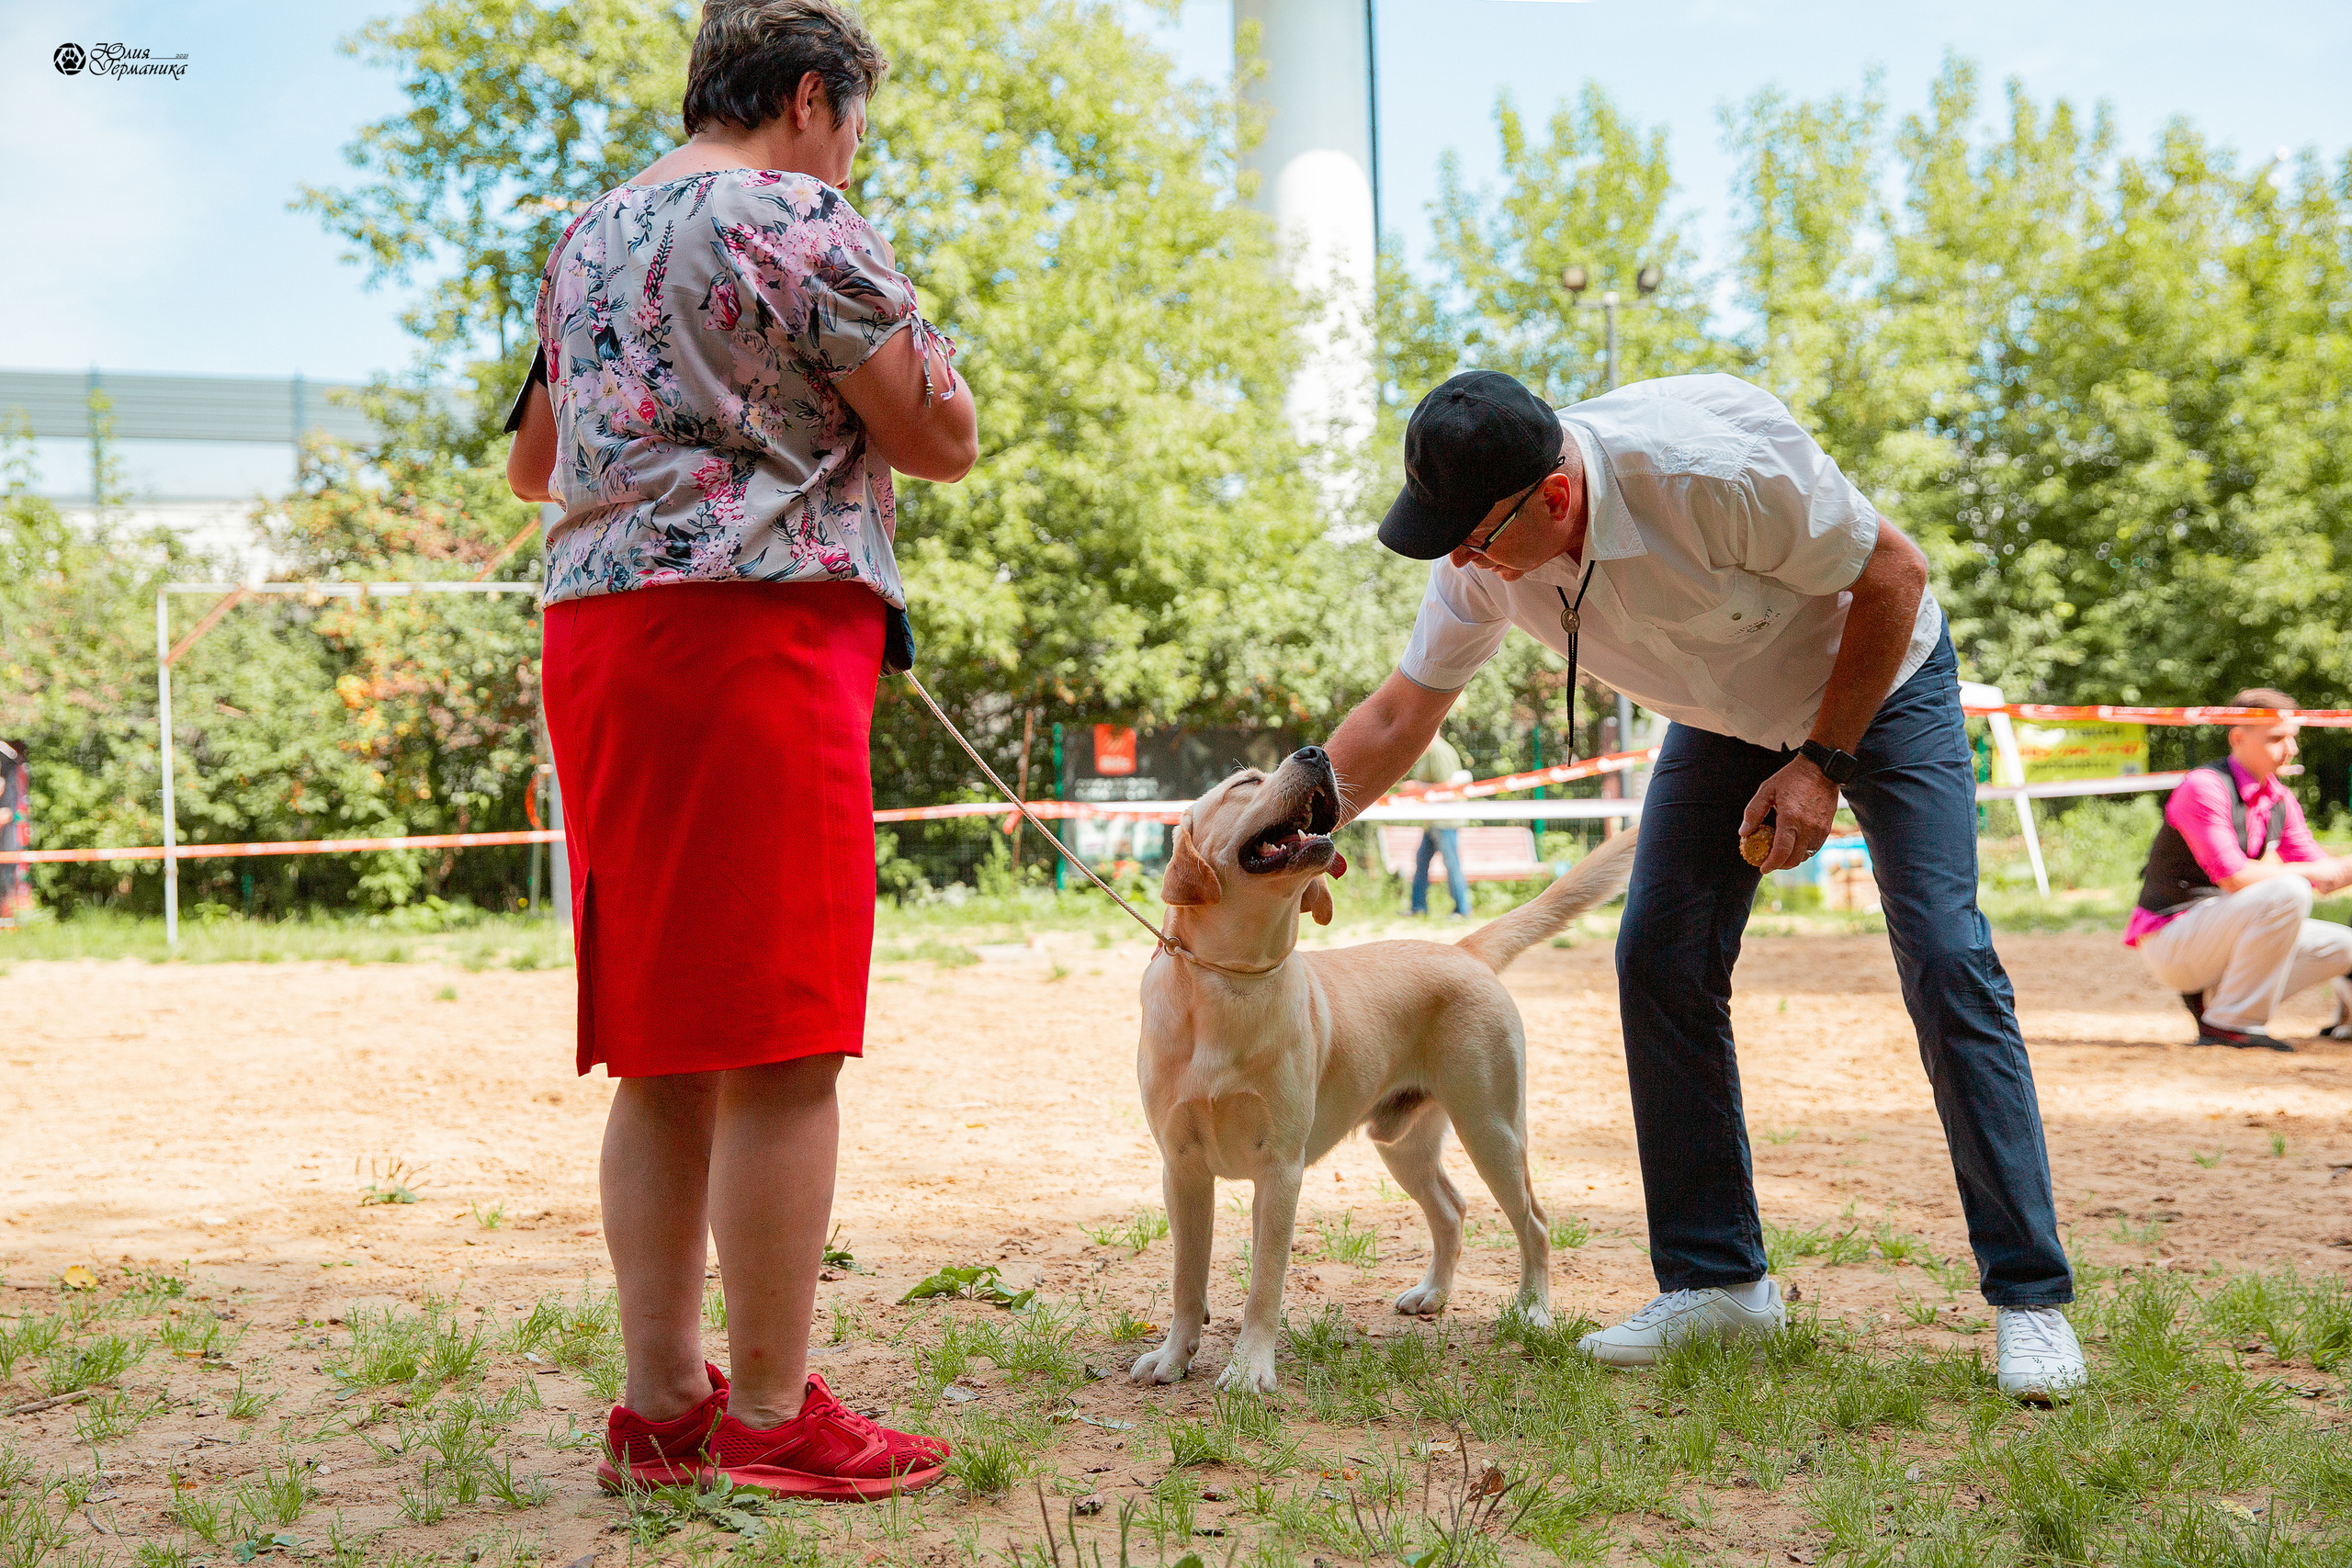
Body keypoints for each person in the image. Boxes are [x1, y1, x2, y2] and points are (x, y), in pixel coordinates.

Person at [1322, 369, 2085, 1401]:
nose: (1459, 559)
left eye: (1474, 535)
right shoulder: (1482, 556)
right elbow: (1399, 715)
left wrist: (1820, 763)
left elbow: (1895, 574)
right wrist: (1304, 827)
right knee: (1658, 956)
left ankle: (2030, 1301)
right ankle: (1719, 1286)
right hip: (1724, 715)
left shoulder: (1709, 473)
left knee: (1947, 956)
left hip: (1876, 678)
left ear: (1555, 497)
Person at [505, 0, 978, 1499]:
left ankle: (663, 1407)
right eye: (852, 119)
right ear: (806, 95)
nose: (853, 149)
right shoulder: (801, 215)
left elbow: (532, 461)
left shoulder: (583, 237)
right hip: (753, 641)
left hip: (600, 641)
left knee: (661, 1045)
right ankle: (774, 1412)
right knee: (784, 1037)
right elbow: (940, 436)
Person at [2127, 688, 2352, 1050]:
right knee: (2290, 889)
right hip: (2172, 939)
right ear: (2237, 737)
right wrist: (2315, 873)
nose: (2291, 750)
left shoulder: (2280, 797)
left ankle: (2219, 1002)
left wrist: (2333, 871)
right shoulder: (2204, 786)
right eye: (2277, 738)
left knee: (2345, 947)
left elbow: (2325, 873)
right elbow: (2233, 877)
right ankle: (2230, 1023)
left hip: (2215, 931)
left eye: (2293, 738)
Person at [1405, 734, 1474, 919]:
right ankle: (1418, 907)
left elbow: (1448, 786)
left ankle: (1463, 910)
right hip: (1432, 820)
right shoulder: (1428, 751)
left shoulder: (1440, 751)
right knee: (1421, 861)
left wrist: (1416, 787)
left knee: (1452, 865)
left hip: (1446, 820)